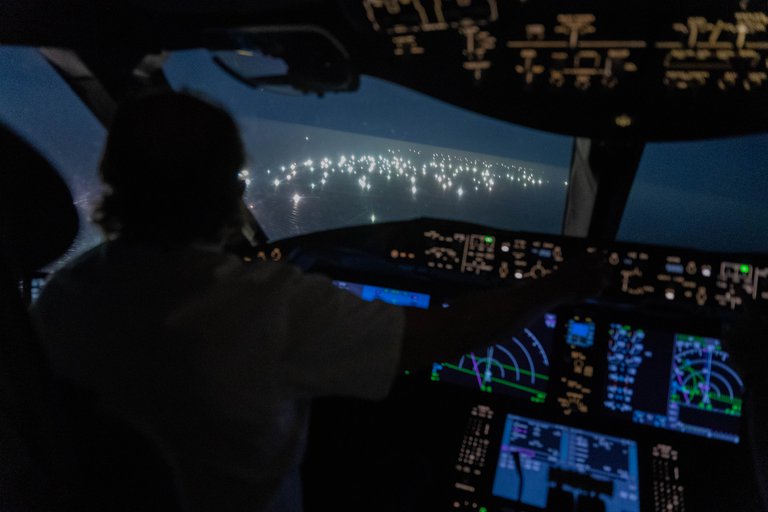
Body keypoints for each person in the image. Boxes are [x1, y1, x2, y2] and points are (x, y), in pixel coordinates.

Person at [32, 92, 604, 512]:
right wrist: (554, 287)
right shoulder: (262, 304)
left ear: (115, 185)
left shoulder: (62, 295)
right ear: (229, 192)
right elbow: (443, 336)